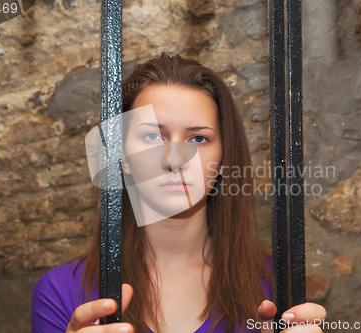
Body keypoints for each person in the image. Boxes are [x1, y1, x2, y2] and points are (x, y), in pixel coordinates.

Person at [31, 53, 326, 333]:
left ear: (223, 157)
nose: (173, 159)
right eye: (151, 136)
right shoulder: (62, 292)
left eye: (198, 138)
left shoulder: (278, 284)